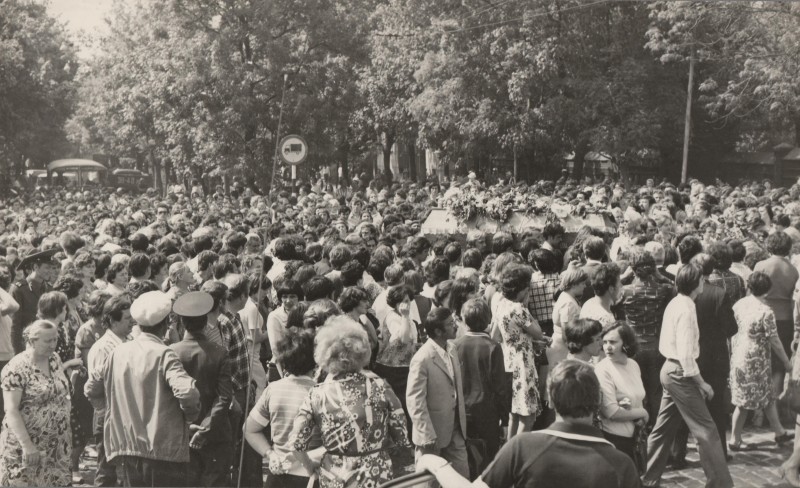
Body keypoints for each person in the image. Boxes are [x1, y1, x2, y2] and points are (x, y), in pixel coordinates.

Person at [417, 360, 639, 488]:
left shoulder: (523, 447)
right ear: (597, 401)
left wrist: (436, 463)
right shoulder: (623, 465)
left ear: (550, 400)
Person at [85, 290, 201, 487]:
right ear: (165, 324)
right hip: (162, 451)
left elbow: (91, 388)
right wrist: (189, 417)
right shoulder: (164, 354)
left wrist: (111, 409)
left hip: (125, 447)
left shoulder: (117, 352)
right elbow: (188, 393)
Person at [290, 316, 411, 488]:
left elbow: (296, 444)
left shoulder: (317, 394)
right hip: (375, 474)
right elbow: (402, 436)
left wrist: (310, 468)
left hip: (334, 476)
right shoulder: (380, 387)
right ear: (363, 351)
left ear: (325, 354)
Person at [642, 264, 733, 488]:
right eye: (702, 280)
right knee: (707, 431)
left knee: (662, 430)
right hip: (680, 373)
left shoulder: (677, 303)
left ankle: (646, 478)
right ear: (697, 283)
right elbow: (685, 354)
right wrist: (702, 383)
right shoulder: (686, 308)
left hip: (670, 371)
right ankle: (719, 484)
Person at [245, 327, 321, 488]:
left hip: (278, 474)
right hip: (311, 476)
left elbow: (250, 429)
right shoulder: (322, 393)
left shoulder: (273, 389)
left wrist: (269, 453)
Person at [171, 291, 233, 487]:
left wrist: (190, 428)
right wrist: (205, 429)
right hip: (215, 435)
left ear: (181, 323)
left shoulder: (171, 352)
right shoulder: (219, 352)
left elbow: (168, 398)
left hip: (181, 433)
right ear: (206, 322)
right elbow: (224, 397)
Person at [0, 320, 72, 486]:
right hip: (27, 448)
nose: (53, 345)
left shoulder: (54, 359)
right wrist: (27, 445)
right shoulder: (16, 368)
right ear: (31, 341)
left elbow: (61, 391)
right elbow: (11, 410)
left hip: (57, 448)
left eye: (55, 339)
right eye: (48, 341)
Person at [729, 271, 794, 450]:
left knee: (765, 396)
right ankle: (734, 440)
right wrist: (787, 362)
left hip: (739, 354)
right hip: (757, 360)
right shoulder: (766, 311)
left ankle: (779, 432)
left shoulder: (739, 305)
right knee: (745, 403)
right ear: (767, 290)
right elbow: (775, 340)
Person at [407, 307, 469, 480]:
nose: (456, 326)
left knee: (462, 478)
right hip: (431, 435)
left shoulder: (452, 349)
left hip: (455, 428)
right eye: (450, 324)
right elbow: (415, 401)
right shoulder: (422, 359)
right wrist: (426, 434)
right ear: (438, 331)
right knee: (428, 483)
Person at [452, 298, 510, 474]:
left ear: (464, 319)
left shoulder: (455, 346)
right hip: (487, 412)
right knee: (488, 459)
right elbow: (501, 387)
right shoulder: (493, 347)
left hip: (462, 412)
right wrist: (505, 420)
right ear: (488, 319)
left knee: (466, 459)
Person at [619, 250, 673, 428]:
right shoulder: (664, 289)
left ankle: (639, 428)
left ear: (632, 268)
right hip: (656, 345)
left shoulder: (624, 291)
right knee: (656, 391)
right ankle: (656, 429)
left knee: (635, 391)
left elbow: (609, 291)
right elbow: (674, 287)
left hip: (632, 347)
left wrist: (624, 275)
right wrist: (660, 276)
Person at [84, 293, 133, 487]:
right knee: (107, 472)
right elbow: (94, 388)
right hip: (108, 417)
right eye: (128, 318)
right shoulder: (103, 347)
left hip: (123, 416)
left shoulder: (127, 341)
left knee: (122, 472)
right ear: (112, 320)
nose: (132, 322)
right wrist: (105, 414)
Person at [490, 264, 543, 438]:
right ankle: (518, 453)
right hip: (523, 363)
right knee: (528, 416)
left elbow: (495, 335)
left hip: (508, 360)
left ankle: (508, 450)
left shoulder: (501, 305)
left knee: (513, 413)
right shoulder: (519, 309)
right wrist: (526, 307)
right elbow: (538, 332)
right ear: (521, 290)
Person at [595, 321, 647, 463]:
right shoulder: (602, 369)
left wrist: (639, 419)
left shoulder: (633, 365)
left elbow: (638, 398)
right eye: (604, 342)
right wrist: (643, 413)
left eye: (613, 342)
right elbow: (611, 412)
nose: (607, 347)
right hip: (615, 440)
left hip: (636, 437)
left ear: (626, 343)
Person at [374, 284, 418, 412]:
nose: (406, 305)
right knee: (400, 403)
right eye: (402, 302)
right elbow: (403, 339)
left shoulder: (408, 318)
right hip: (393, 368)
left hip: (406, 366)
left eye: (408, 301)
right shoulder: (393, 317)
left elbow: (412, 340)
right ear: (395, 303)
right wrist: (404, 316)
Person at [10, 248, 57, 354]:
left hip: (48, 345)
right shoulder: (19, 290)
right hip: (28, 347)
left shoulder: (49, 289)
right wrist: (18, 353)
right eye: (47, 267)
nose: (50, 271)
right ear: (35, 267)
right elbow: (15, 327)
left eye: (52, 268)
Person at [550, 264, 587, 368]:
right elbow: (566, 331)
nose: (585, 286)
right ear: (574, 284)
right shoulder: (568, 303)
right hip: (562, 349)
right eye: (583, 283)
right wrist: (573, 351)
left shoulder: (565, 296)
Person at [265, 279, 303, 382]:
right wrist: (285, 373)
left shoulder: (304, 312)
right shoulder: (274, 316)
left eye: (292, 296)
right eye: (284, 297)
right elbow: (275, 348)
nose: (288, 301)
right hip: (282, 368)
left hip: (303, 367)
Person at [580, 262, 620, 328]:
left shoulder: (588, 303)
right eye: (619, 283)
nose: (620, 286)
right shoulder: (607, 320)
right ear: (611, 289)